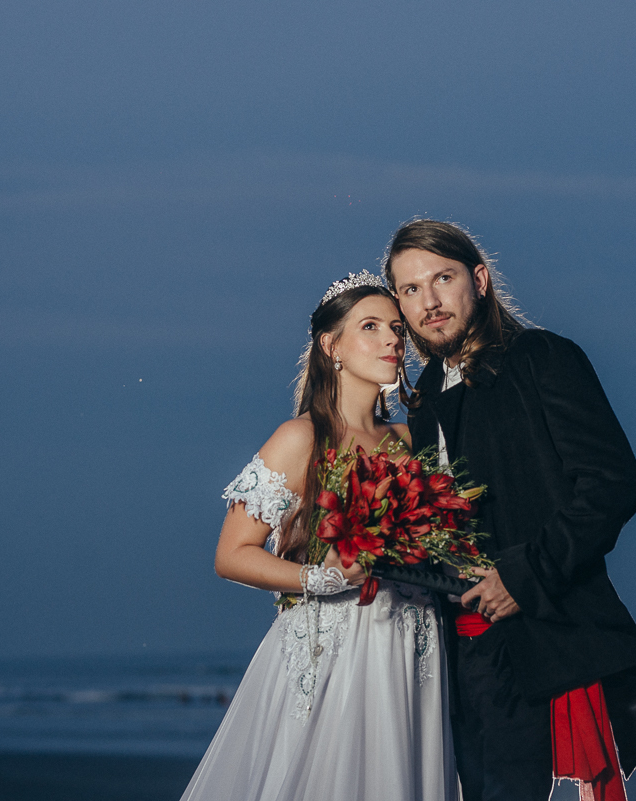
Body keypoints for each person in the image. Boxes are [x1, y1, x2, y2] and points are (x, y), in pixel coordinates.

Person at [385, 220, 636, 801]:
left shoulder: (541, 358)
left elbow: (614, 485)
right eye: (410, 290)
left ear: (479, 280)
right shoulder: (425, 397)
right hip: (449, 657)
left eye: (443, 278)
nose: (429, 301)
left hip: (534, 640)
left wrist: (525, 574)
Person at [179, 271, 460, 801]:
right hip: (334, 649)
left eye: (397, 329)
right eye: (371, 327)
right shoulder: (301, 437)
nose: (392, 341)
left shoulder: (411, 439)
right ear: (331, 345)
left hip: (413, 649)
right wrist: (324, 576)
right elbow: (232, 555)